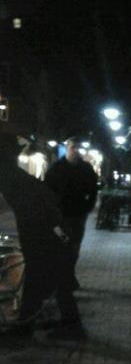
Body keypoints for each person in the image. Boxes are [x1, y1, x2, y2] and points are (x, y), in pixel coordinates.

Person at [0, 133, 83, 337]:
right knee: (47, 277)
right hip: (48, 229)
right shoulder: (15, 175)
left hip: (42, 232)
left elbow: (36, 206)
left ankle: (65, 326)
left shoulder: (9, 175)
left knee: (43, 276)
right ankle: (42, 323)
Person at [44, 138, 98, 291]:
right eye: (73, 147)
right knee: (61, 245)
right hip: (60, 216)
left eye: (78, 148)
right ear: (67, 148)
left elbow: (93, 190)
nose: (75, 151)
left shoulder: (86, 168)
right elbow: (47, 190)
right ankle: (63, 278)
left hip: (78, 214)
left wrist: (88, 206)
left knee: (74, 246)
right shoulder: (56, 168)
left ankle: (68, 275)